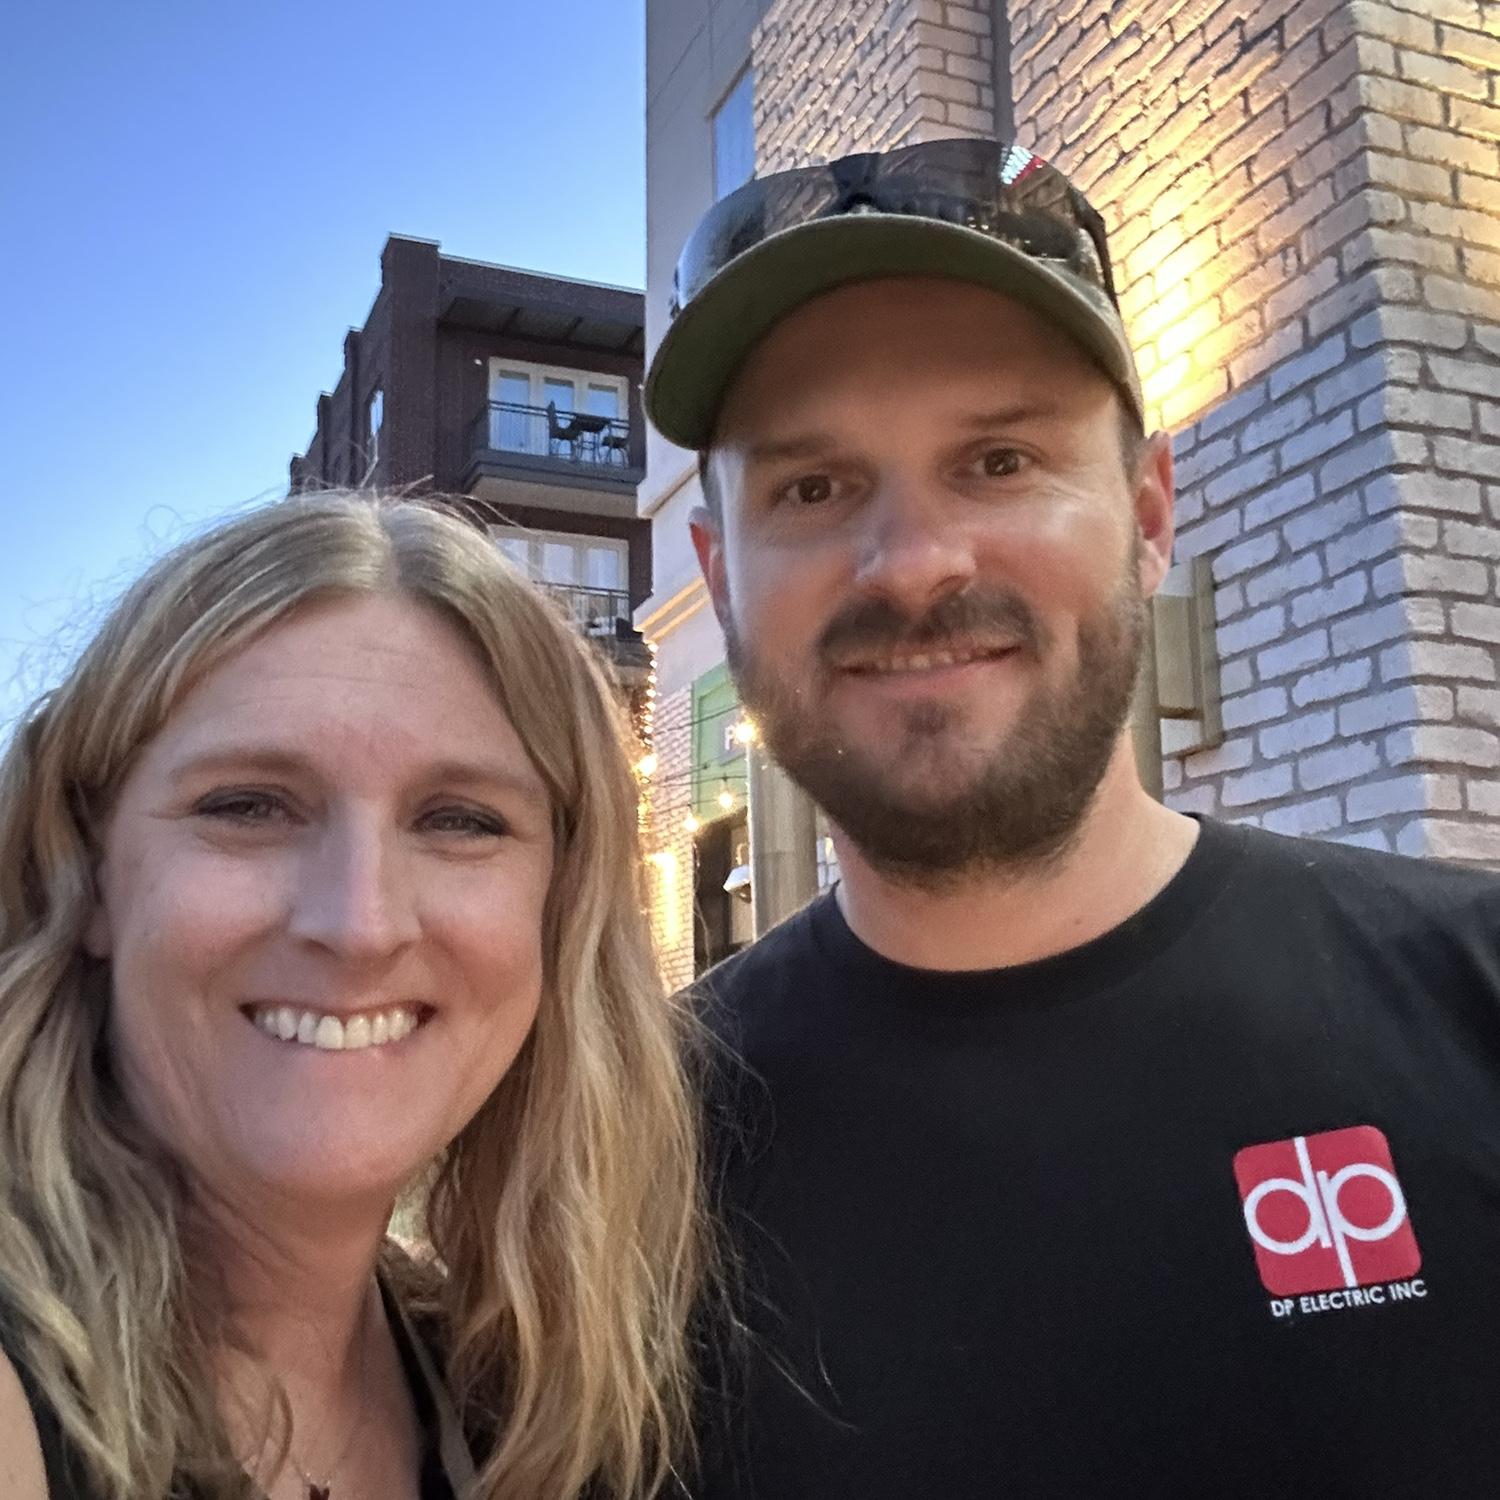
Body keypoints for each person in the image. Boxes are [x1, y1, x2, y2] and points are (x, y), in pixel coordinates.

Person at [643, 137, 1500, 1497]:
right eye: (812, 488)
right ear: (723, 574)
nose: (914, 562)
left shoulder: (1474, 998)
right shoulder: (631, 1155)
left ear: (1149, 513)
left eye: (999, 459)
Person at [0, 493, 709, 1500]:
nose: (361, 922)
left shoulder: (499, 1391)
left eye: (459, 821)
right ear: (87, 872)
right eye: (249, 806)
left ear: (560, 907)